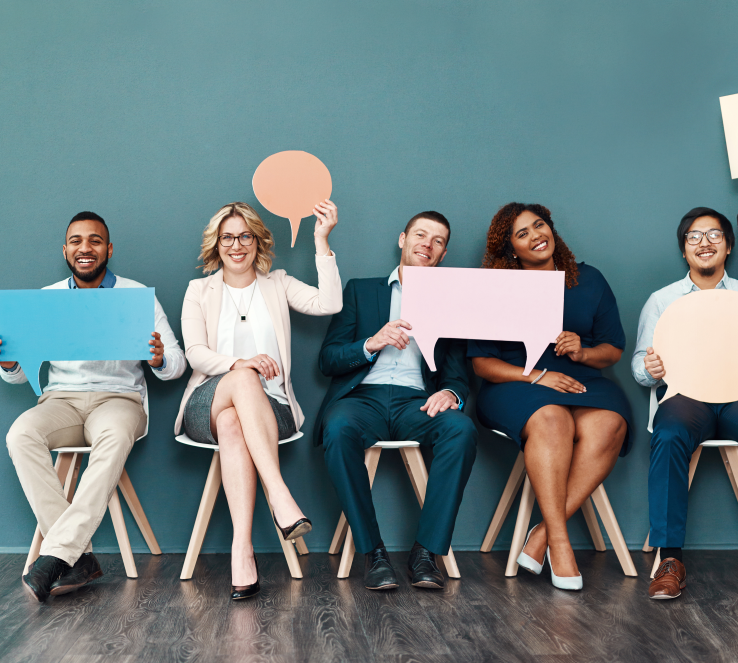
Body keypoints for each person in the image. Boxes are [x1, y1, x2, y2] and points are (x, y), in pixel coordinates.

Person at [0, 211, 186, 602]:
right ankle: (77, 556)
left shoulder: (137, 296)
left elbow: (177, 366)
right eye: (77, 241)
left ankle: (58, 554)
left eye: (95, 241)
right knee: (20, 434)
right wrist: (10, 364)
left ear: (108, 249)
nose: (86, 248)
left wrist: (159, 358)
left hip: (119, 399)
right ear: (65, 251)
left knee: (114, 435)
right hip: (60, 399)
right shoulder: (48, 298)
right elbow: (20, 373)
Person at [632, 207, 738, 601]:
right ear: (683, 251)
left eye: (713, 235)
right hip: (686, 397)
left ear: (728, 246)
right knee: (670, 431)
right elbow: (639, 369)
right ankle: (670, 559)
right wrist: (651, 367)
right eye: (693, 237)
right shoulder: (662, 301)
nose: (704, 243)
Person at [178, 200, 342, 600]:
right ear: (216, 244)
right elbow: (195, 353)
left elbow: (330, 303)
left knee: (237, 424)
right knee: (242, 378)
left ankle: (242, 551)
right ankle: (280, 496)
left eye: (245, 236)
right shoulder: (199, 290)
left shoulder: (278, 283)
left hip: (273, 410)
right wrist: (241, 363)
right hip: (207, 405)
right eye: (228, 237)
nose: (237, 245)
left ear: (258, 240)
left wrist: (322, 241)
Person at [469, 202, 631, 591]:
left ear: (552, 229)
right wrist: (538, 376)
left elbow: (613, 350)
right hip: (516, 384)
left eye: (539, 225)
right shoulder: (495, 288)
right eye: (521, 233)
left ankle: (540, 534)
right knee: (552, 417)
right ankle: (560, 544)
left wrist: (582, 352)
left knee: (611, 423)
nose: (535, 236)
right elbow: (481, 363)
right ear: (511, 249)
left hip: (581, 379)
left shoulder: (589, 280)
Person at [316, 211, 477, 591]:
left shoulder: (451, 301)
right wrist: (371, 342)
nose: (428, 244)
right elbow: (328, 359)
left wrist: (450, 393)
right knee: (337, 427)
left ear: (443, 253)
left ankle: (426, 553)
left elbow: (457, 372)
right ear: (402, 239)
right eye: (421, 235)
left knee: (461, 428)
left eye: (437, 241)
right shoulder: (361, 289)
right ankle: (373, 554)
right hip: (362, 399)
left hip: (417, 402)